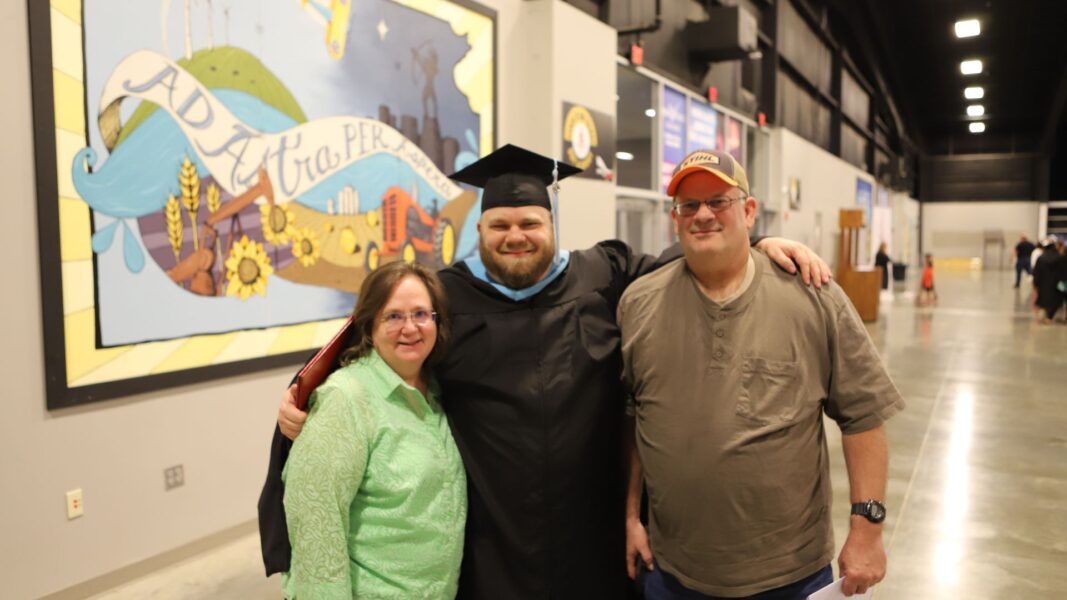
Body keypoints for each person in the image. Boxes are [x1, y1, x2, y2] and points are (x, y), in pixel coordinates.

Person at [261, 144, 833, 598]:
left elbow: (690, 262)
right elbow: (372, 341)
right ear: (479, 231)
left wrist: (758, 243)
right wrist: (300, 398)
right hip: (492, 541)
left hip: (595, 528)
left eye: (530, 222)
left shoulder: (603, 275)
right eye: (500, 225)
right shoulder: (448, 295)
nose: (516, 236)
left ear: (551, 221)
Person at [620, 149, 905, 599]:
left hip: (787, 576)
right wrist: (632, 516)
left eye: (719, 201)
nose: (703, 215)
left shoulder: (812, 294)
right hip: (673, 571)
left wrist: (867, 529)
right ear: (675, 220)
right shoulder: (638, 303)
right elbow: (637, 418)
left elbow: (864, 414)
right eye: (688, 205)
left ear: (749, 211)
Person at [282, 261, 466, 598]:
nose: (410, 328)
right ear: (369, 325)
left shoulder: (439, 390)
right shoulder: (346, 399)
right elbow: (316, 525)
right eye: (393, 316)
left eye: (422, 314)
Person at [1032, 236, 1065, 324]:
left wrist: (1035, 284)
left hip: (1043, 284)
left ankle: (1044, 316)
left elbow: (1036, 272)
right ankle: (1051, 316)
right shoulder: (1060, 258)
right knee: (1055, 300)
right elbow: (1063, 271)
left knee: (1043, 300)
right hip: (1056, 284)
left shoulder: (1041, 258)